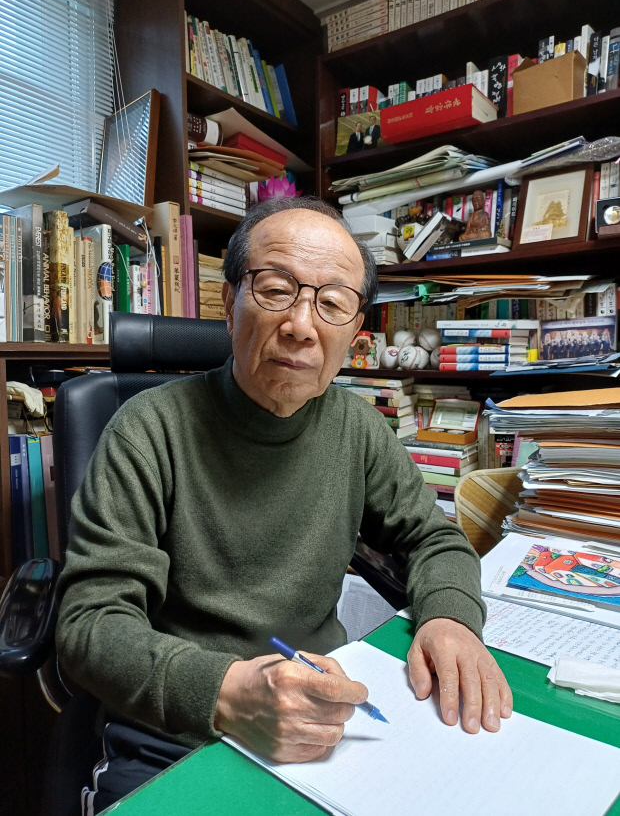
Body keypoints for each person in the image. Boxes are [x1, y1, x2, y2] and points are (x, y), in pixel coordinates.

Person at [56, 197, 512, 814]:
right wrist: (228, 692)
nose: (301, 325)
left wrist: (449, 617)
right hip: (176, 733)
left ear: (353, 332)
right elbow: (90, 625)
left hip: (324, 722)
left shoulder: (358, 428)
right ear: (229, 303)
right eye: (276, 290)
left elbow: (433, 538)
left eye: (332, 303)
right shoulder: (147, 430)